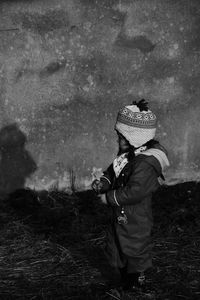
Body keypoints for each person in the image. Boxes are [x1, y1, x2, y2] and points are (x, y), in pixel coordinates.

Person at [92, 99, 170, 292]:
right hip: (121, 214)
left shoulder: (145, 163)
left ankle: (136, 278)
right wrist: (103, 183)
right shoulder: (127, 156)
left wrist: (108, 198)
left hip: (136, 216)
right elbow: (113, 172)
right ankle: (124, 276)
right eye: (118, 135)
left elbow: (136, 191)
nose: (118, 140)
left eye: (121, 137)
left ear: (135, 138)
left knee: (134, 245)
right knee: (117, 243)